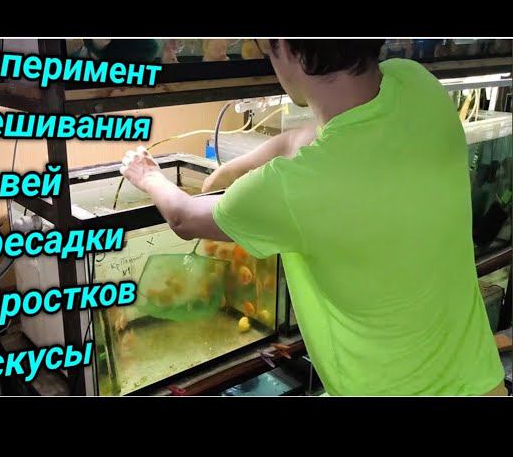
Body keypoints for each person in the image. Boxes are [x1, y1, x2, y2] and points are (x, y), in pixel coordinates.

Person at [119, 39, 506, 396]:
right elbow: (309, 136)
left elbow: (183, 218)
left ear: (287, 48)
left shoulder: (293, 187)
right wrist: (234, 168)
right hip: (482, 383)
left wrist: (147, 175)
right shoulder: (417, 84)